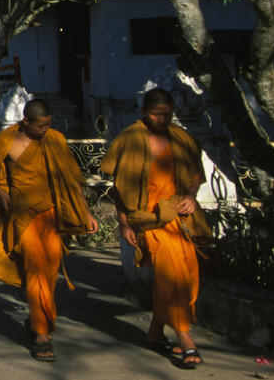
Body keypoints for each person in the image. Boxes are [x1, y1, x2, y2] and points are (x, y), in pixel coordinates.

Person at [0, 99, 97, 362]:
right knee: (35, 270)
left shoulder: (54, 139)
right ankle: (43, 336)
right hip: (23, 218)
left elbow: (71, 177)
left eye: (48, 124)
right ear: (26, 122)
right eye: (41, 125)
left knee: (49, 271)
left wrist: (87, 212)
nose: (45, 129)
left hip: (51, 215)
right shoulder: (6, 141)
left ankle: (37, 319)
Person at [100, 88, 208, 368]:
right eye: (155, 114)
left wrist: (190, 196)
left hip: (179, 218)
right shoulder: (130, 140)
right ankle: (184, 337)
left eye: (167, 114)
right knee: (171, 275)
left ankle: (154, 333)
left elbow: (196, 175)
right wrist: (124, 223)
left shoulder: (181, 138)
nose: (161, 119)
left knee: (187, 273)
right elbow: (119, 190)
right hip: (148, 219)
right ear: (143, 112)